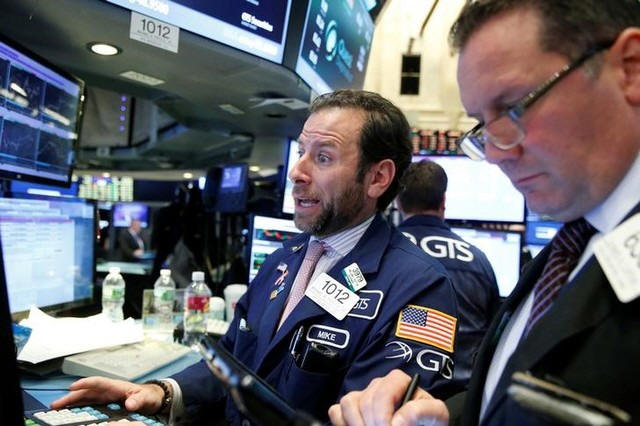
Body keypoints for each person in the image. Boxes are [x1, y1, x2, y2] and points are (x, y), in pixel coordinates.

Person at [52, 90, 462, 424]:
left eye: (323, 157)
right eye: (302, 152)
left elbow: (365, 418)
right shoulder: (283, 260)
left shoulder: (419, 288)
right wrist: (162, 393)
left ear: (377, 178)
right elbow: (232, 364)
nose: (297, 172)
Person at [328, 1, 640, 425]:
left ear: (629, 68)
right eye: (481, 124)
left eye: (514, 107)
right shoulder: (572, 244)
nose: (494, 153)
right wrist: (446, 417)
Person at [396, 160, 500, 392]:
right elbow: (495, 333)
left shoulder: (379, 252)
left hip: (396, 394)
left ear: (398, 202)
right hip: (463, 396)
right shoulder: (478, 260)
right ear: (443, 201)